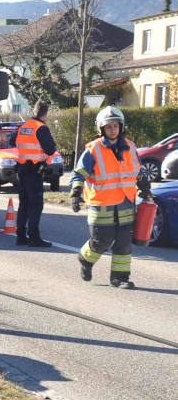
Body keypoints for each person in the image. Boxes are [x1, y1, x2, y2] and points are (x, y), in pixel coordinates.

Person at [69, 106, 152, 288]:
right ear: (102, 129)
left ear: (120, 127)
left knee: (123, 244)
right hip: (102, 205)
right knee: (101, 242)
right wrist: (75, 193)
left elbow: (137, 170)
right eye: (108, 127)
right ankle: (85, 259)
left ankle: (120, 279)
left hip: (125, 204)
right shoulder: (93, 150)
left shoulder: (130, 147)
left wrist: (144, 185)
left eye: (115, 126)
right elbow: (79, 174)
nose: (112, 130)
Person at [14, 100, 59, 247]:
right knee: (36, 205)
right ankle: (34, 237)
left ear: (34, 111)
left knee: (24, 204)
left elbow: (11, 140)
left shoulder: (24, 127)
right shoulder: (41, 128)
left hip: (21, 170)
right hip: (34, 171)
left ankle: (20, 236)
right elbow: (51, 149)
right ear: (45, 114)